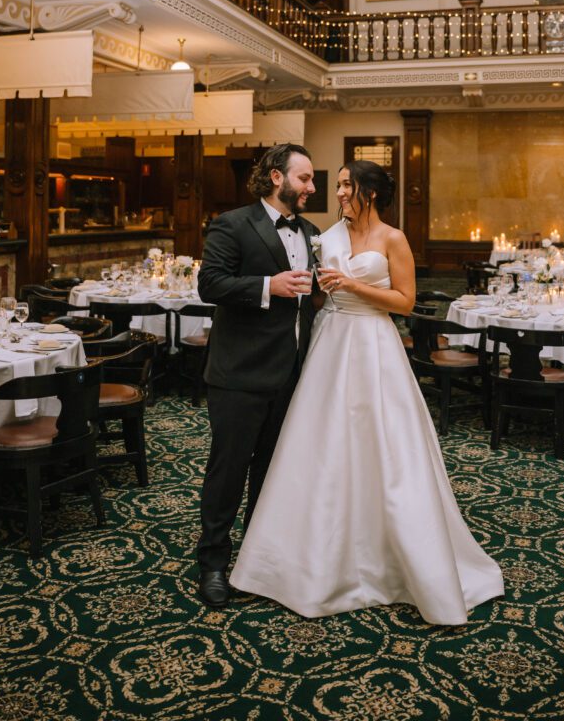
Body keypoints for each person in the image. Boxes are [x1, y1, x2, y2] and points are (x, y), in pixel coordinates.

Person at [230, 160, 504, 623]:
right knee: (318, 446)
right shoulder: (327, 236)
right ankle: (304, 560)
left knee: (385, 447)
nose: (336, 193)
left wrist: (354, 284)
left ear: (369, 192)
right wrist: (317, 289)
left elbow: (406, 302)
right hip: (329, 343)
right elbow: (319, 298)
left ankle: (393, 555)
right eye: (335, 184)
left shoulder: (393, 239)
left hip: (375, 344)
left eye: (344, 185)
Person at [196, 143, 319, 608]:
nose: (311, 187)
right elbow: (210, 284)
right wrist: (268, 286)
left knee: (271, 472)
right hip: (239, 374)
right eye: (304, 178)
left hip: (290, 373)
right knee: (227, 472)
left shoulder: (310, 232)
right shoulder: (233, 224)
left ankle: (257, 559)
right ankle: (212, 562)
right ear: (276, 177)